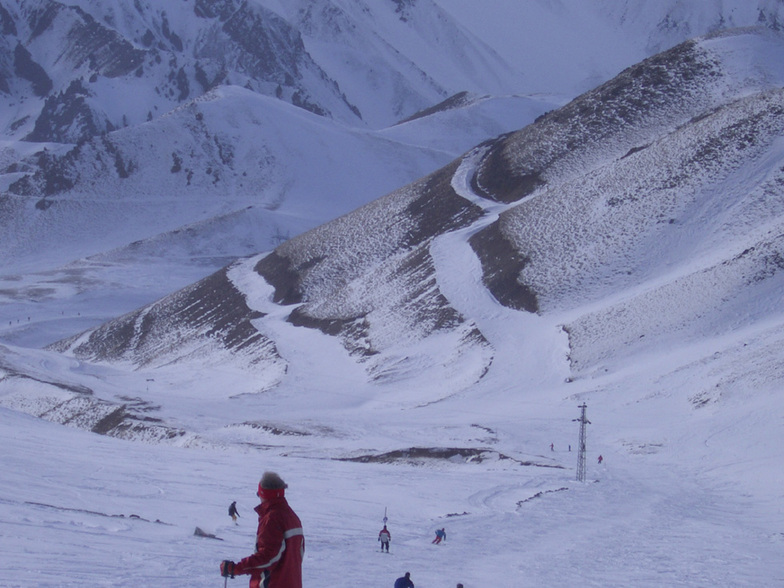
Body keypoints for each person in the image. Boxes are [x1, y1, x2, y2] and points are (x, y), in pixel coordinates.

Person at [220, 472, 304, 588]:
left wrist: (236, 568)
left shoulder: (272, 519)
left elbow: (267, 557)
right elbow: (298, 554)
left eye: (258, 494)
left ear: (264, 494)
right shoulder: (292, 517)